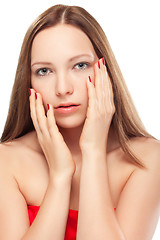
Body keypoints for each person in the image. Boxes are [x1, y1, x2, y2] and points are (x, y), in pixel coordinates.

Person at [0, 4, 159, 240]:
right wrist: (60, 177)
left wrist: (93, 151)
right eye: (44, 71)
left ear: (105, 71)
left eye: (80, 65)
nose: (63, 89)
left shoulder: (148, 158)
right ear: (29, 82)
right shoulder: (7, 160)